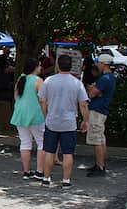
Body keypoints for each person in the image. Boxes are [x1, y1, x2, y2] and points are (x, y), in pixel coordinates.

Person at [39, 55, 90, 188]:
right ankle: (66, 180)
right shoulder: (77, 83)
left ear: (58, 65)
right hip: (69, 122)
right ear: (71, 66)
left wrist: (45, 115)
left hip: (52, 120)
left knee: (49, 151)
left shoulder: (48, 81)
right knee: (68, 153)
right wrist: (86, 120)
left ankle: (46, 178)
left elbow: (42, 100)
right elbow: (83, 104)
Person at [10, 58, 45, 181]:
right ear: (35, 67)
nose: (41, 68)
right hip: (36, 115)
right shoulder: (38, 81)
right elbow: (43, 100)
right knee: (42, 142)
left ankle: (26, 171)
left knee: (25, 142)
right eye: (39, 66)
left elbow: (16, 97)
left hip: (20, 114)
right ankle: (40, 171)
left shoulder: (21, 79)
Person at [86, 54, 117, 178]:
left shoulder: (104, 79)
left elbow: (93, 93)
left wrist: (91, 88)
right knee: (101, 138)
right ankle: (100, 164)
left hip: (97, 110)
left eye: (98, 63)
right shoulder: (110, 78)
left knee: (96, 139)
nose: (97, 65)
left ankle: (100, 166)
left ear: (104, 64)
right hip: (102, 110)